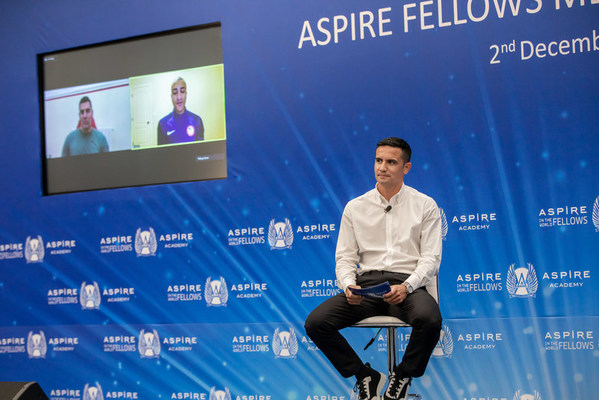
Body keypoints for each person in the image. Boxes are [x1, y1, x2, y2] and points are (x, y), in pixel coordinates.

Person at [304, 137, 442, 400]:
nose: (382, 167)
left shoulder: (425, 205)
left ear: (406, 168)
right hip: (366, 288)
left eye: (391, 162)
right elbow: (344, 258)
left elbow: (431, 259)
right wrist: (348, 285)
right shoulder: (355, 207)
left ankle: (401, 377)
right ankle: (364, 375)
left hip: (407, 287)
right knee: (316, 323)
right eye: (379, 160)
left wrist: (407, 286)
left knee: (430, 320)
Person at [157, 77, 204, 145]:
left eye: (182, 92)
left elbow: (201, 152)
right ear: (171, 97)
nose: (179, 97)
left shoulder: (197, 121)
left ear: (186, 95)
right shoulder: (163, 124)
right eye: (175, 93)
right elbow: (161, 154)